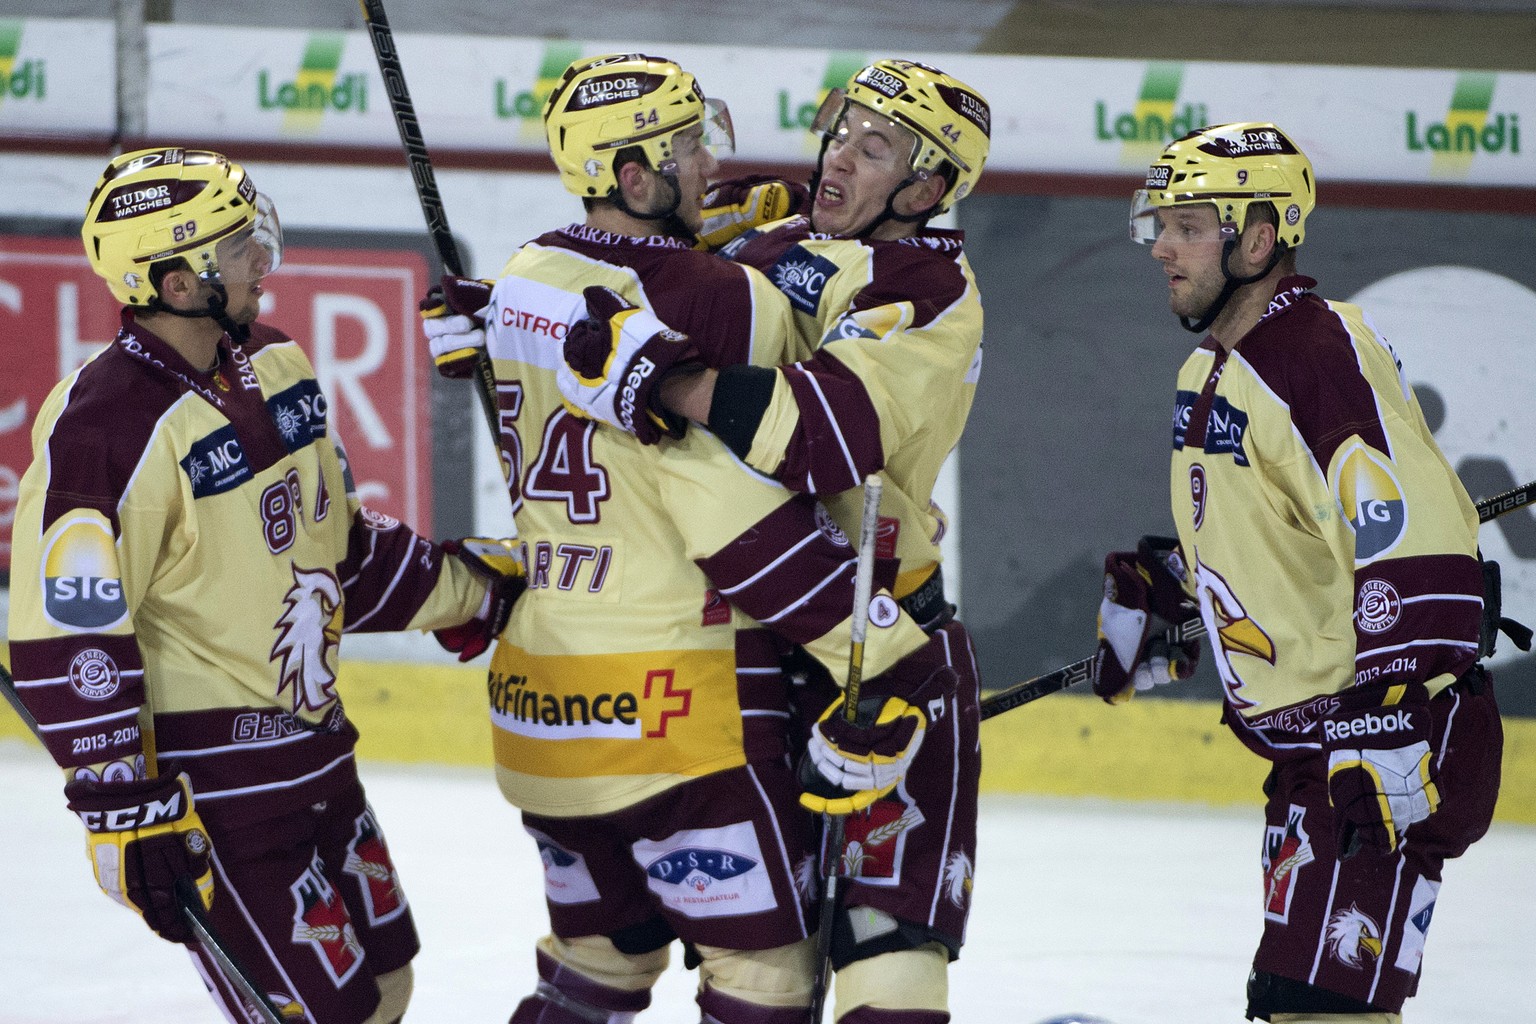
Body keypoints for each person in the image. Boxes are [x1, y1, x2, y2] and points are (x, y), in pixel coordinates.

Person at [420, 54, 954, 1024]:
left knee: (594, 969)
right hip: (680, 709)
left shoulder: (525, 280)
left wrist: (491, 311)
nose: (712, 164)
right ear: (636, 178)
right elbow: (747, 491)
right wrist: (879, 657)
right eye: (690, 147)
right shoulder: (727, 298)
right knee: (767, 981)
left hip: (542, 713)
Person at [6, 147, 519, 1024]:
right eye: (239, 244)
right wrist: (122, 811)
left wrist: (467, 590)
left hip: (318, 752)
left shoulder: (276, 364)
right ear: (174, 283)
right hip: (217, 797)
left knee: (389, 986)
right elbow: (70, 636)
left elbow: (338, 550)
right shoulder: (103, 426)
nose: (263, 259)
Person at [558, 59, 992, 1024]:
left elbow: (820, 435)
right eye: (841, 131)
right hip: (756, 649)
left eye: (873, 149)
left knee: (886, 948)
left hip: (881, 651)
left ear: (925, 189)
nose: (838, 156)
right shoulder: (782, 229)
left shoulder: (928, 291)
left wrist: (661, 383)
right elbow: (626, 278)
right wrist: (517, 319)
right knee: (765, 972)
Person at [1093, 122, 1506, 1023]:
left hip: (1381, 743)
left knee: (1316, 1007)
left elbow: (1419, 547)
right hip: (1311, 751)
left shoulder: (1317, 353)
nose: (1161, 245)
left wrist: (1385, 723)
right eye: (1159, 221)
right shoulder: (1210, 368)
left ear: (1257, 237)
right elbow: (1283, 540)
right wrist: (1174, 598)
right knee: (1307, 1004)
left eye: (1190, 224)